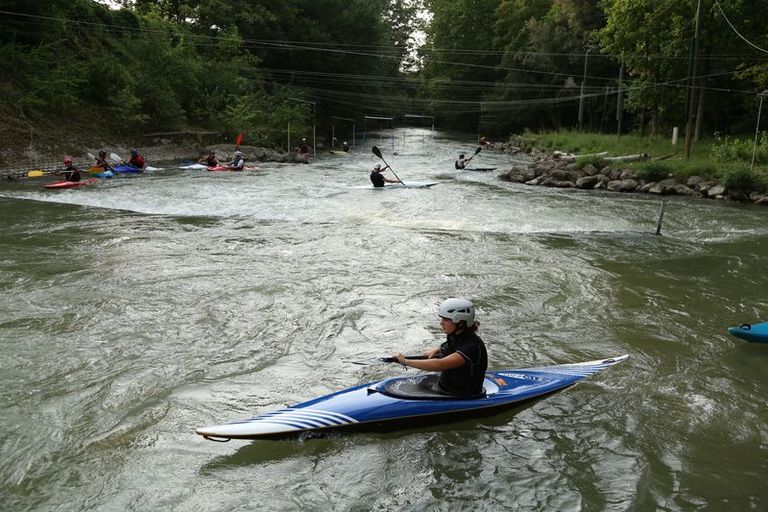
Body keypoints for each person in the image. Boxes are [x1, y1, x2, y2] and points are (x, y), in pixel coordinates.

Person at [393, 298, 488, 396]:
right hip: (446, 387)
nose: (441, 323)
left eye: (446, 320)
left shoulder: (472, 346)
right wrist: (439, 350)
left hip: (462, 395)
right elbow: (454, 349)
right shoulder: (455, 336)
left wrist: (406, 362)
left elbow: (441, 364)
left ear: (461, 322)